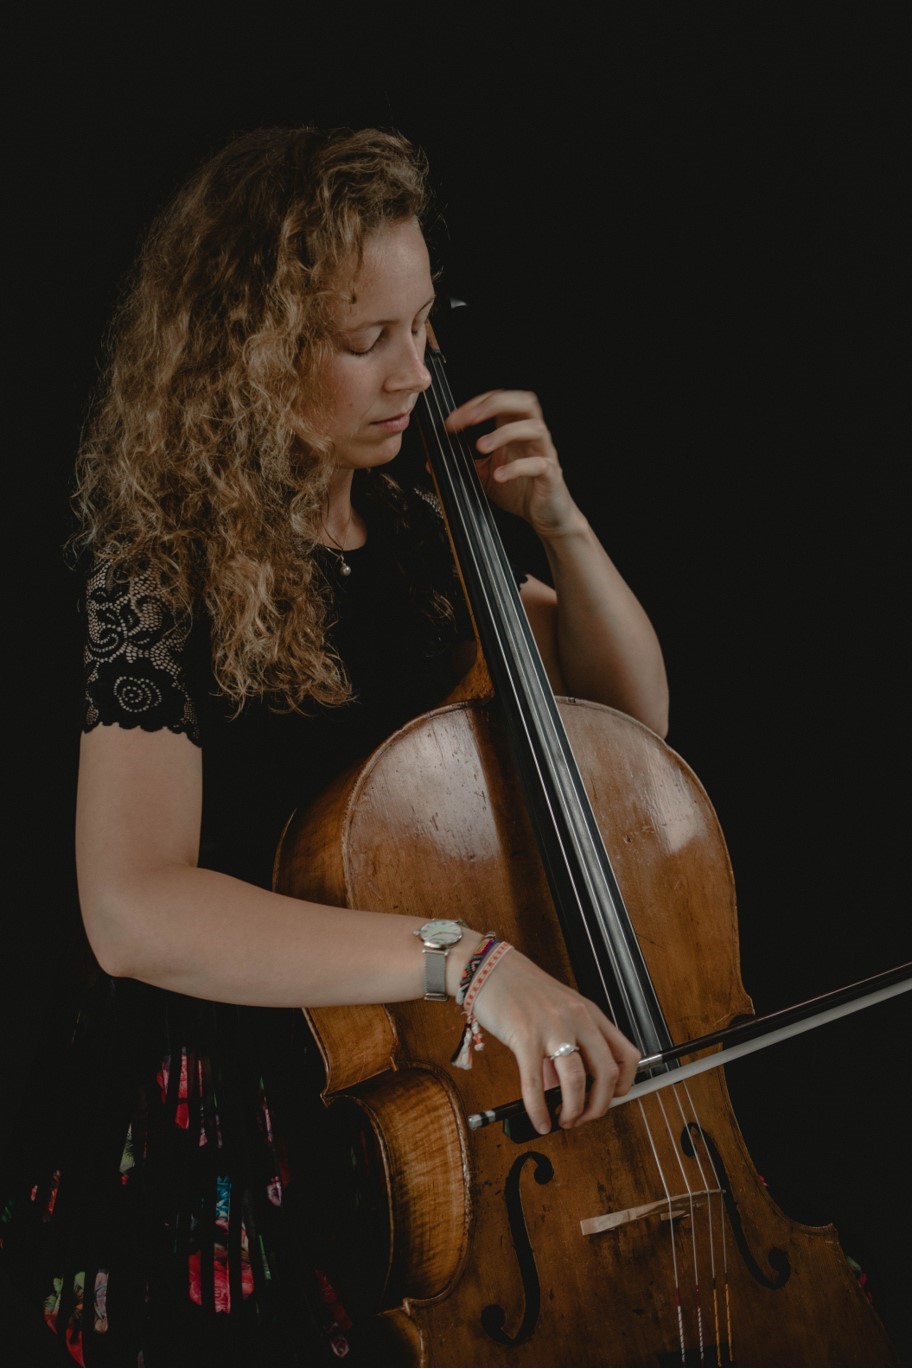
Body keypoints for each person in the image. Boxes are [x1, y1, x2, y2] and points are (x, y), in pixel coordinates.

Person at [0, 125, 669, 1366]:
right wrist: (467, 963)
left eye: (422, 326)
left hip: (417, 1088)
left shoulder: (421, 538)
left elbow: (622, 738)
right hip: (227, 1114)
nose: (414, 372)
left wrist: (562, 527)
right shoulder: (159, 570)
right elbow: (132, 909)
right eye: (367, 341)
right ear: (247, 353)